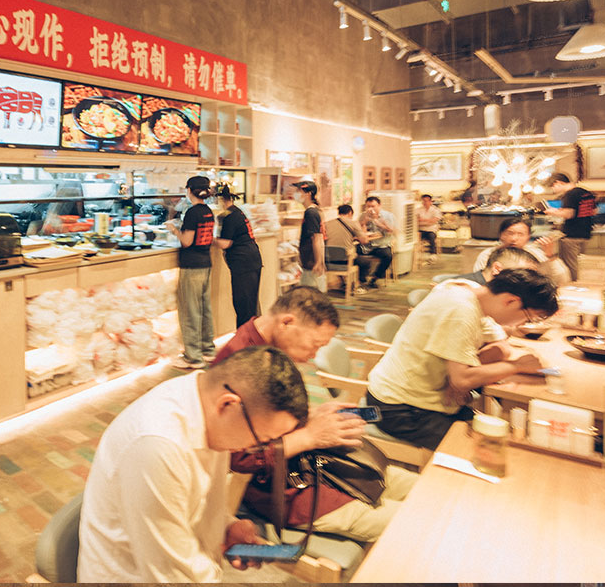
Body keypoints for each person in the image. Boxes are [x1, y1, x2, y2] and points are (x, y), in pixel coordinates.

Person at [77, 346, 309, 582]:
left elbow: (190, 502)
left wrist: (226, 526)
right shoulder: (159, 445)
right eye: (260, 440)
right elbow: (170, 577)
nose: (254, 448)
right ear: (227, 405)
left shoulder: (205, 401)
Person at [212, 287, 419, 542]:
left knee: (421, 488)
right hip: (286, 487)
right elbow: (238, 458)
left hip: (315, 464)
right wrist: (309, 436)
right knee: (414, 522)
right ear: (287, 323)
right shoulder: (240, 365)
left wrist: (311, 415)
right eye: (315, 345)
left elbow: (272, 417)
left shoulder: (268, 347)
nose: (314, 356)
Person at [366, 269, 560, 449]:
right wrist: (516, 366)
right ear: (511, 301)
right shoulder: (461, 309)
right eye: (529, 318)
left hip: (424, 399)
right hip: (397, 407)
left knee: (494, 431)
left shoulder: (473, 295)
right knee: (482, 447)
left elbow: (502, 348)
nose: (522, 325)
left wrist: (461, 376)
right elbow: (464, 379)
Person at [168, 175, 216, 369]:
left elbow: (187, 241)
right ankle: (208, 350)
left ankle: (193, 357)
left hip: (191, 266)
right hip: (205, 263)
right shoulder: (208, 211)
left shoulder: (192, 213)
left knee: (190, 311)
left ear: (189, 190)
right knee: (204, 310)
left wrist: (174, 230)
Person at [214, 185, 262, 328]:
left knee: (243, 305)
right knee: (250, 303)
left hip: (243, 264)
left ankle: (245, 337)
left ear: (221, 199)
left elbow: (225, 243)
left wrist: (210, 240)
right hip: (252, 260)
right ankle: (252, 334)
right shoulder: (238, 212)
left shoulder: (228, 216)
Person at [546, 172, 595, 281]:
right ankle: (579, 284)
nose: (553, 190)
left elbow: (569, 214)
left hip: (572, 235)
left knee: (571, 265)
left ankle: (573, 286)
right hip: (585, 233)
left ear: (558, 183)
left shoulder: (570, 194)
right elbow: (594, 211)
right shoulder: (586, 193)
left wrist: (553, 212)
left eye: (553, 187)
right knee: (580, 265)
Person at [471, 218, 557, 272]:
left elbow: (559, 279)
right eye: (510, 233)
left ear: (528, 237)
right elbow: (479, 280)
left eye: (520, 234)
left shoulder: (535, 254)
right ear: (501, 235)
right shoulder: (487, 255)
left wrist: (550, 257)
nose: (514, 239)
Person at [323, 204, 376, 292]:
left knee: (341, 257)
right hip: (346, 259)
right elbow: (364, 241)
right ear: (350, 213)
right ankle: (360, 285)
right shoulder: (353, 223)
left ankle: (344, 283)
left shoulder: (328, 223)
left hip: (329, 258)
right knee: (365, 262)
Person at [294, 180, 325, 290]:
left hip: (310, 260)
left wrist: (318, 262)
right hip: (311, 260)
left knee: (310, 293)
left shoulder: (310, 213)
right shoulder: (315, 210)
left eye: (299, 191)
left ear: (308, 193)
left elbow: (316, 238)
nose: (296, 194)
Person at [456, 245, 541, 286]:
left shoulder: (495, 292)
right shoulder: (464, 290)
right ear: (497, 268)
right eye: (525, 274)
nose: (529, 281)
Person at [358, 196, 395, 288]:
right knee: (352, 252)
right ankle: (361, 279)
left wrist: (378, 222)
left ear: (379, 205)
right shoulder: (363, 215)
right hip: (367, 245)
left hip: (381, 245)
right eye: (368, 206)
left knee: (388, 256)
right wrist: (364, 222)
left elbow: (391, 230)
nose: (370, 209)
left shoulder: (388, 216)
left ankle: (375, 278)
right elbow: (357, 229)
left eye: (373, 206)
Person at [416, 194, 442, 262]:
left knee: (431, 236)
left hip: (431, 230)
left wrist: (422, 220)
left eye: (426, 201)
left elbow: (434, 220)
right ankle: (416, 254)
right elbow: (415, 220)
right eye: (423, 201)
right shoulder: (418, 210)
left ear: (430, 201)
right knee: (414, 237)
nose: (425, 202)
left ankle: (433, 254)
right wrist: (428, 221)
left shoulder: (435, 210)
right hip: (420, 229)